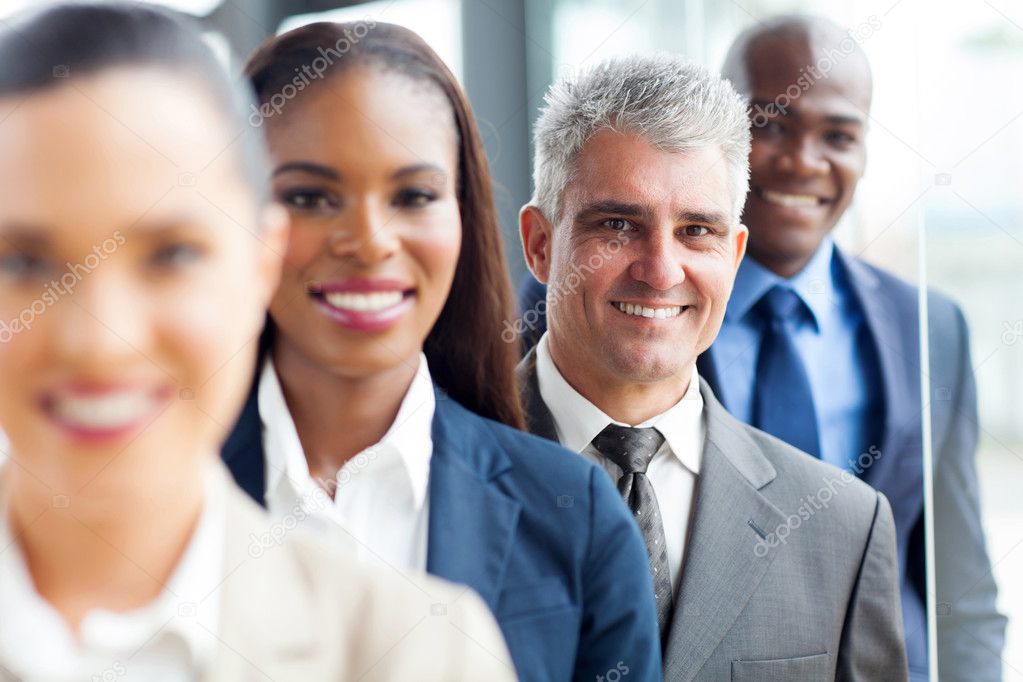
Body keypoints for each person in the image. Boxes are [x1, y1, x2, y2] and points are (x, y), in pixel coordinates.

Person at [0, 4, 515, 679]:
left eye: (172, 256)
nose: (104, 343)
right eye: (24, 264)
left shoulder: (423, 653)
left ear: (260, 263)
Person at [221, 21, 661, 681]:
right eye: (311, 197)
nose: (368, 241)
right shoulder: (139, 494)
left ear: (462, 215)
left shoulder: (576, 518)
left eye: (412, 196)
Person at [517, 52, 909, 679]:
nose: (661, 271)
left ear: (735, 253)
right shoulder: (422, 471)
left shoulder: (843, 529)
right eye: (617, 225)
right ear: (541, 244)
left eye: (697, 230)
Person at [711, 16, 1005, 681]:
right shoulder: (649, 303)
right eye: (770, 125)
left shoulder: (927, 326)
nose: (801, 161)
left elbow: (959, 586)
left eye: (837, 136)